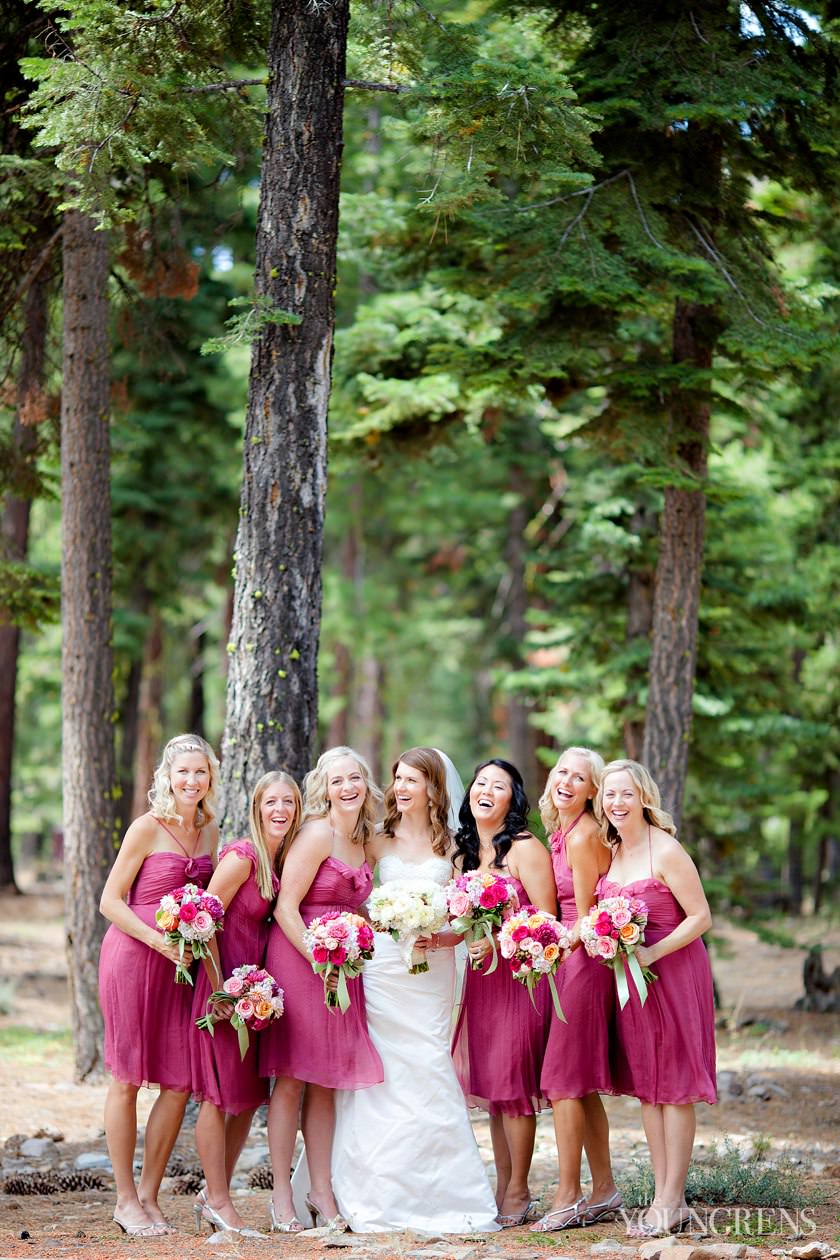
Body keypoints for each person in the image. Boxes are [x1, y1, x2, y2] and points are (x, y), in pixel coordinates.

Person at [329, 747, 500, 1233]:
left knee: (428, 1062)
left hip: (434, 968)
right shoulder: (376, 841)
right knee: (383, 1069)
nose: (401, 788)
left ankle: (447, 1192)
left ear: (433, 788)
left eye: (412, 780)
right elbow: (354, 900)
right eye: (397, 779)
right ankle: (373, 1187)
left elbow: (471, 912)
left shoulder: (455, 846)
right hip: (382, 969)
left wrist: (444, 935)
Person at [98, 734, 219, 1237]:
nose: (191, 781)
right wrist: (156, 940)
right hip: (133, 957)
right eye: (183, 772)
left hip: (181, 969)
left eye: (201, 772)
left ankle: (149, 1194)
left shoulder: (210, 831)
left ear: (211, 778)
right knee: (127, 1077)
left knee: (178, 1081)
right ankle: (124, 1200)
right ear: (167, 777)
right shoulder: (146, 828)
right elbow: (109, 899)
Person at [260, 747, 384, 1233]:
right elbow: (286, 907)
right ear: (324, 789)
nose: (347, 787)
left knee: (326, 1081)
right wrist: (318, 957)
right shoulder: (316, 833)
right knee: (292, 1078)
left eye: (355, 778)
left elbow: (363, 907)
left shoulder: (365, 840)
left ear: (365, 784)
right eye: (337, 781)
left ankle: (321, 1190)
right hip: (300, 959)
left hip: (343, 967)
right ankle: (281, 1198)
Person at [596, 759, 716, 1237]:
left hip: (673, 968)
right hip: (633, 979)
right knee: (649, 1085)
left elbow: (701, 916)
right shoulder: (614, 853)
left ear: (643, 797)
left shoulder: (665, 850)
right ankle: (667, 1194)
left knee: (676, 1082)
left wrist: (652, 953)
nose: (617, 802)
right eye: (609, 794)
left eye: (626, 793)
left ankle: (670, 1200)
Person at [190, 770, 301, 1237]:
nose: (280, 810)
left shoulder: (282, 860)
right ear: (257, 808)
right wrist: (220, 990)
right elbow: (202, 921)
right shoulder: (242, 856)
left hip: (254, 994)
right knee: (218, 1096)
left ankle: (214, 1193)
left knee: (245, 1097)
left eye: (289, 803)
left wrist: (251, 993)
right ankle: (218, 1199)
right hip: (221, 990)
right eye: (271, 802)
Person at [451, 758, 557, 1228]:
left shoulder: (525, 847)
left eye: (499, 786)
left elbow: (546, 920)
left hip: (520, 979)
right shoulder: (466, 855)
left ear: (513, 799)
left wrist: (498, 940)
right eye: (481, 784)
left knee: (514, 1086)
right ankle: (502, 1184)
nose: (486, 791)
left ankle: (520, 1188)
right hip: (481, 982)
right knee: (495, 1089)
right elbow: (462, 923)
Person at [531, 746, 622, 1233]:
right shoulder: (559, 832)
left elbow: (588, 917)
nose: (566, 781)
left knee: (564, 1081)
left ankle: (568, 1196)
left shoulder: (585, 835)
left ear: (593, 790)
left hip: (582, 963)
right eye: (561, 772)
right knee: (579, 1085)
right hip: (564, 960)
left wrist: (547, 945)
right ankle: (604, 1189)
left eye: (579, 777)